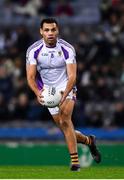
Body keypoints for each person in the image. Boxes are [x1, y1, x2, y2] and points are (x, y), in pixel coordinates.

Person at [26, 18, 101, 171]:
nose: (50, 33)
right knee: (64, 128)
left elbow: (72, 76)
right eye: (46, 30)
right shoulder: (33, 50)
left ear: (57, 30)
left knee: (65, 119)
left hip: (65, 87)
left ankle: (75, 162)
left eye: (53, 30)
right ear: (41, 31)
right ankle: (89, 141)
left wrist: (65, 93)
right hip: (47, 91)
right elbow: (31, 77)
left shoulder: (67, 48)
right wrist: (37, 92)